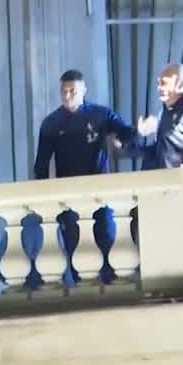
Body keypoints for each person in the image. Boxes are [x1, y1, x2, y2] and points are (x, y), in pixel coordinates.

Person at [33, 70, 136, 285]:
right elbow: (41, 163)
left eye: (72, 91)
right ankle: (82, 290)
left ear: (83, 90)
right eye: (64, 91)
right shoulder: (52, 122)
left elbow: (125, 132)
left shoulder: (100, 115)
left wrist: (138, 132)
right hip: (69, 195)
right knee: (75, 244)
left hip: (100, 192)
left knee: (106, 239)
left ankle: (110, 289)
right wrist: (44, 197)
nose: (67, 95)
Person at [131, 63, 183, 170]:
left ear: (180, 84)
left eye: (164, 83)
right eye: (159, 82)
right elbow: (161, 149)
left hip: (181, 179)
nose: (159, 87)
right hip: (163, 179)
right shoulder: (165, 111)